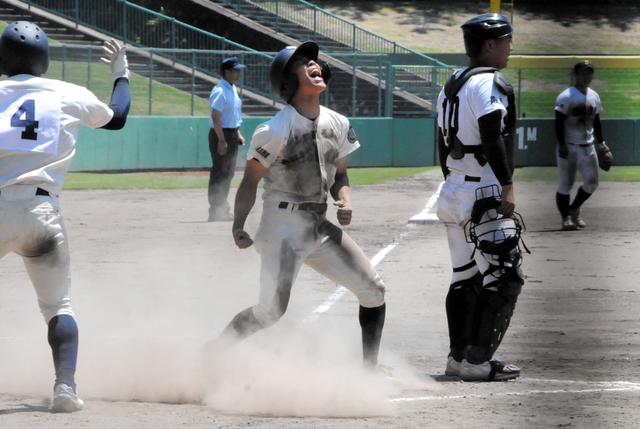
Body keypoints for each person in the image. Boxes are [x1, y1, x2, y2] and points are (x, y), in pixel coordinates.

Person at [205, 42, 387, 371]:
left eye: (314, 60)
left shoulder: (339, 124)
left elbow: (341, 175)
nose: (314, 64)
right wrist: (238, 225)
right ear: (288, 82)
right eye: (303, 62)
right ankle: (214, 352)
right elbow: (250, 181)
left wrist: (345, 201)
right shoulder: (274, 130)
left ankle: (370, 371)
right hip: (282, 229)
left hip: (319, 225)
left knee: (373, 289)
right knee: (270, 311)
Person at [0, 22, 130, 411]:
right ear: (44, 58)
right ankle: (65, 389)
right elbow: (118, 116)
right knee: (57, 305)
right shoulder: (69, 93)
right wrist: (121, 74)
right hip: (42, 211)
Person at [436, 14, 525, 381]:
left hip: (454, 188)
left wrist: (454, 183)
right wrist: (506, 184)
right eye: (506, 40)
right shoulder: (487, 82)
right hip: (484, 191)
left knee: (465, 278)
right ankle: (477, 361)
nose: (510, 46)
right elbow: (492, 135)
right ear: (489, 45)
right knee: (506, 277)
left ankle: (458, 359)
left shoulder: (452, 82)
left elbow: (440, 144)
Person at [554, 60, 604, 230]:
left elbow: (596, 121)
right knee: (566, 184)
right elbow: (558, 122)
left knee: (592, 182)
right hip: (569, 146)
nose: (587, 76)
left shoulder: (594, 96)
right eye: (583, 72)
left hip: (588, 147)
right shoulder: (566, 96)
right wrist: (562, 145)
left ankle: (574, 209)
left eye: (589, 72)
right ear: (575, 75)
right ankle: (566, 218)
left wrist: (602, 143)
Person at [207, 56, 246, 222]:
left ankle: (222, 209)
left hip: (230, 134)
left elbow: (232, 115)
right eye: (235, 70)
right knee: (220, 173)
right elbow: (216, 117)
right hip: (220, 135)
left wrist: (237, 133)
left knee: (228, 173)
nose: (238, 73)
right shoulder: (220, 90)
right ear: (227, 72)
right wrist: (222, 140)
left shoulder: (232, 89)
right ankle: (216, 211)